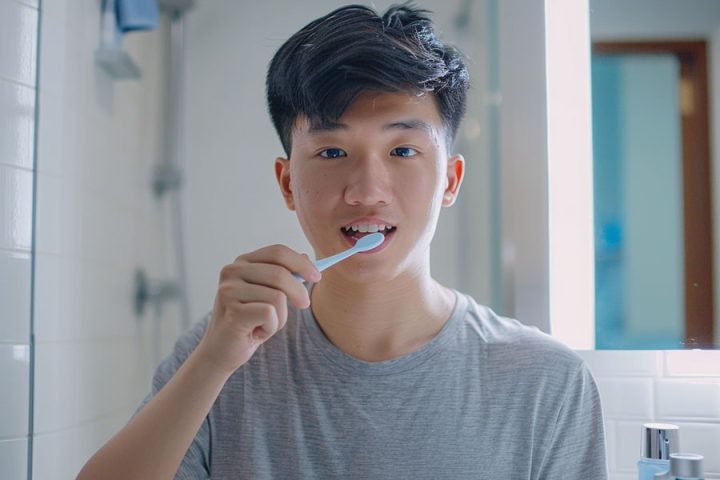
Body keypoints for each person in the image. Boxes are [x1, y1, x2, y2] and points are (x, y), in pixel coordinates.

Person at [77, 4, 608, 479]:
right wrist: (214, 361)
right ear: (288, 183)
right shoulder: (221, 353)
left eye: (403, 151)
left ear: (450, 181)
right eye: (332, 153)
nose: (367, 192)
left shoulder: (546, 382)